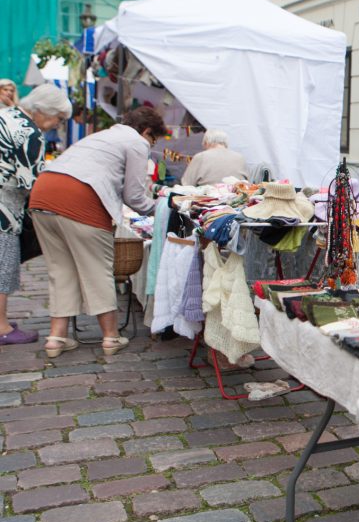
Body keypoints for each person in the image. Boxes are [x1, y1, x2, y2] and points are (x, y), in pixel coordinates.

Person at [29, 106, 168, 357]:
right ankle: (110, 337)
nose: (151, 144)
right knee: (98, 270)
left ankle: (56, 338)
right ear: (146, 131)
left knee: (61, 270)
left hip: (42, 195)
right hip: (80, 200)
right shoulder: (136, 142)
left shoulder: (100, 136)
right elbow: (135, 197)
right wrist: (161, 208)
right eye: (153, 139)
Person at [0, 85, 71, 345]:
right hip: (3, 208)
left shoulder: (5, 115)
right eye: (58, 119)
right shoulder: (29, 131)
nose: (55, 125)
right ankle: (2, 327)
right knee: (3, 266)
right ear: (43, 112)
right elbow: (32, 181)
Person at [180, 128, 248, 186]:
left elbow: (187, 184)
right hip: (236, 198)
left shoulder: (201, 157)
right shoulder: (240, 157)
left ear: (206, 142)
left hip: (207, 199)